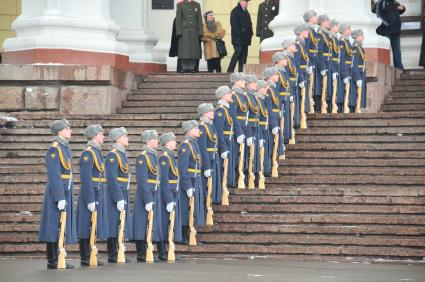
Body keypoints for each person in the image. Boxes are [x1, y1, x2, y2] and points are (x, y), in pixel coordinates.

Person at [39, 119, 76, 269]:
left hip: (65, 189)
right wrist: (60, 196)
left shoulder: (65, 148)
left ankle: (59, 256)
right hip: (57, 191)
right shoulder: (54, 149)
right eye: (67, 129)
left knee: (61, 225)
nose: (70, 131)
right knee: (54, 225)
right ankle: (52, 260)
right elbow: (54, 175)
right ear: (60, 131)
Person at [132, 130, 167, 262]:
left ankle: (151, 251)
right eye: (154, 139)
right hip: (146, 194)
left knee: (153, 223)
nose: (157, 141)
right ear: (148, 140)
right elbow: (142, 180)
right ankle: (141, 253)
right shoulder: (143, 157)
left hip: (155, 192)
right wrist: (147, 198)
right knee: (142, 223)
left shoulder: (153, 156)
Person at [77, 124, 106, 267]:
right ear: (94, 136)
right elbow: (86, 177)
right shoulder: (88, 153)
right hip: (89, 193)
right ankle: (85, 257)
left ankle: (91, 255)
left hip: (96, 191)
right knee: (85, 225)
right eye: (101, 134)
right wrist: (90, 199)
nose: (103, 136)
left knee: (92, 224)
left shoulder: (96, 151)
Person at [105, 127, 132, 263]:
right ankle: (112, 254)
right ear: (118, 138)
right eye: (125, 136)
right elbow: (111, 178)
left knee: (120, 222)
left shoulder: (121, 154)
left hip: (122, 191)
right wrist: (118, 197)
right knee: (113, 223)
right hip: (115, 194)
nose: (127, 138)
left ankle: (118, 251)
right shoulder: (113, 155)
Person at [178, 120, 205, 244]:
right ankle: (184, 236)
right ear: (189, 130)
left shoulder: (194, 144)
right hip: (188, 181)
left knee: (193, 208)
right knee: (186, 209)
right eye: (195, 128)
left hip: (196, 180)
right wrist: (187, 186)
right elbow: (182, 169)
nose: (198, 130)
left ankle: (191, 235)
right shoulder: (186, 145)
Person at [158, 132, 182, 247]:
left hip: (173, 192)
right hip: (167, 194)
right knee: (163, 222)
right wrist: (168, 199)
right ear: (167, 142)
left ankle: (166, 248)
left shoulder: (170, 156)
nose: (175, 143)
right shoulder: (164, 157)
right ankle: (162, 250)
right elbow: (164, 180)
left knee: (169, 222)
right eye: (173, 140)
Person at [197, 103, 222, 204]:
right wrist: (206, 166)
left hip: (213, 157)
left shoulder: (210, 126)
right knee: (205, 185)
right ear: (205, 113)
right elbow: (202, 147)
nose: (213, 113)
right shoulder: (202, 127)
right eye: (211, 111)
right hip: (208, 159)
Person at [214, 86, 236, 192]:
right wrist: (222, 148)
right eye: (228, 93)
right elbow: (218, 131)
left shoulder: (225, 109)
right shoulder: (220, 110)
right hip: (225, 142)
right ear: (223, 96)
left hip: (228, 140)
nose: (231, 95)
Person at [372, 0, 406, 70]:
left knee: (397, 51)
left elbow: (400, 11)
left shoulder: (394, 2)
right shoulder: (380, 3)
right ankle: (385, 68)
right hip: (385, 31)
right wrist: (387, 24)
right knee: (385, 50)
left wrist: (403, 8)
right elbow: (377, 15)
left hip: (396, 31)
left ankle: (399, 68)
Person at [229, 72, 247, 187]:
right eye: (241, 80)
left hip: (243, 127)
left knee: (242, 155)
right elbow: (233, 115)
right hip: (237, 129)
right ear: (235, 81)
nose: (244, 82)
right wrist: (239, 132)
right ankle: (233, 179)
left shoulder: (241, 95)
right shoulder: (234, 95)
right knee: (235, 156)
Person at [176, 0, 203, 73]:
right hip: (184, 32)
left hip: (194, 31)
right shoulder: (180, 5)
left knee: (193, 52)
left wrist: (200, 31)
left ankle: (192, 67)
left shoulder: (197, 5)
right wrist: (179, 31)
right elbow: (178, 19)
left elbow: (199, 18)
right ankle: (184, 68)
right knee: (184, 51)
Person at [263, 67, 284, 161]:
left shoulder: (273, 88)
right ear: (270, 76)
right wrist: (274, 124)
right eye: (276, 75)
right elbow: (269, 108)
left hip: (275, 117)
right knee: (271, 143)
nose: (278, 76)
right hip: (272, 119)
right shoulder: (268, 89)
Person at [228, 0, 253, 73]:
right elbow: (234, 26)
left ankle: (241, 72)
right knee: (237, 53)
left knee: (243, 57)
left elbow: (249, 24)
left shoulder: (246, 12)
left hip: (246, 39)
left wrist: (250, 33)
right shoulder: (235, 11)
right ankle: (230, 70)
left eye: (247, 2)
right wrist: (242, 32)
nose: (247, 3)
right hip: (238, 39)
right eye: (245, 2)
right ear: (241, 2)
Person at [293, 23, 311, 119]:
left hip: (304, 74)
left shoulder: (302, 45)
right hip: (301, 75)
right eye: (305, 30)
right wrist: (300, 79)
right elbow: (296, 64)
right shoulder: (298, 45)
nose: (307, 32)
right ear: (300, 32)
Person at [303, 9, 319, 108]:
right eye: (314, 16)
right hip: (309, 59)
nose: (316, 18)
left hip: (313, 59)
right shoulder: (308, 30)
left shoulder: (312, 29)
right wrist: (308, 63)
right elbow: (306, 48)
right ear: (310, 18)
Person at [317, 14, 333, 113]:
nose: (329, 23)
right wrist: (322, 67)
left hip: (328, 63)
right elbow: (320, 52)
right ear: (322, 22)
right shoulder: (320, 34)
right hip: (324, 63)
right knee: (323, 87)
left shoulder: (326, 34)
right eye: (327, 21)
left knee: (328, 87)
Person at [255, 80, 271, 177]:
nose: (267, 90)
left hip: (265, 128)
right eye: (264, 88)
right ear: (259, 89)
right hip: (260, 129)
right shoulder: (257, 100)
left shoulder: (262, 100)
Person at [339, 23, 354, 113]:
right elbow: (342, 59)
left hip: (349, 69)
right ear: (345, 30)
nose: (350, 30)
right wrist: (345, 74)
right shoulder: (342, 42)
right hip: (345, 69)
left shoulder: (347, 41)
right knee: (343, 91)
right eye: (349, 28)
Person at [351, 29, 367, 113]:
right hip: (358, 73)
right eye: (361, 35)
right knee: (355, 93)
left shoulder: (359, 47)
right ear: (357, 37)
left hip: (361, 72)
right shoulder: (355, 48)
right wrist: (357, 78)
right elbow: (354, 64)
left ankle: (359, 108)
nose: (363, 36)